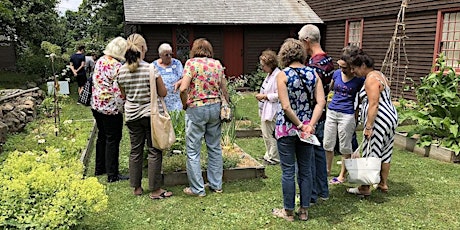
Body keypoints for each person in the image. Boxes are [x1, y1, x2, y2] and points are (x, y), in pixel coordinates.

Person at [271, 38, 325, 222]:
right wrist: (309, 125)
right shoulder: (313, 74)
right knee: (306, 170)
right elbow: (321, 103)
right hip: (307, 132)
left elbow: (285, 106)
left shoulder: (282, 75)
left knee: (287, 171)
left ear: (284, 54)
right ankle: (304, 210)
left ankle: (288, 211)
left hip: (287, 129)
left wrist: (299, 125)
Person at [117, 33, 173, 199]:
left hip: (132, 115)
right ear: (142, 49)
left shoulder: (121, 71)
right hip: (150, 114)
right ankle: (155, 190)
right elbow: (162, 92)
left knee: (135, 151)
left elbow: (123, 94)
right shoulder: (151, 68)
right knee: (154, 150)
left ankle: (136, 187)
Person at [179, 38, 229, 197]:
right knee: (214, 147)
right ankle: (216, 185)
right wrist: (226, 105)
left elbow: (183, 88)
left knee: (193, 150)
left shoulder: (191, 64)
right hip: (215, 107)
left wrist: (185, 104)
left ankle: (197, 189)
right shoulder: (217, 64)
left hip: (196, 108)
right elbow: (224, 88)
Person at [346, 48, 398, 196]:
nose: (353, 71)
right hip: (391, 117)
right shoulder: (380, 75)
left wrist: (368, 126)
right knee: (386, 150)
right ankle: (382, 183)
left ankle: (364, 187)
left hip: (379, 119)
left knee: (371, 151)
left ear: (363, 65)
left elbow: (374, 103)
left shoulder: (370, 79)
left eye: (354, 68)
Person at [298, 24, 333, 204]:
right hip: (324, 115)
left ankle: (311, 194)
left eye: (300, 40)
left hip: (312, 115)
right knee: (319, 154)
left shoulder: (314, 66)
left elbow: (311, 94)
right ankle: (323, 190)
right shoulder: (328, 60)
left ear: (307, 41)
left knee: (308, 156)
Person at [323, 46, 365, 185]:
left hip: (347, 114)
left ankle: (342, 176)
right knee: (328, 143)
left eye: (345, 68)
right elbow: (330, 89)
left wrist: (356, 115)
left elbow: (360, 99)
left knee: (345, 146)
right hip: (332, 111)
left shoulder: (359, 79)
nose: (342, 70)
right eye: (340, 66)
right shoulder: (336, 74)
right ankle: (327, 170)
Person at [91, 37, 129, 183]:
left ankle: (100, 168)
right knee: (113, 139)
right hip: (110, 108)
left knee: (102, 137)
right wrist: (122, 109)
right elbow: (118, 91)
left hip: (97, 105)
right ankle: (112, 174)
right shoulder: (117, 66)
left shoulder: (100, 60)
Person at [256, 50, 281, 165]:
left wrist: (265, 96)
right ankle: (268, 154)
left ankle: (274, 158)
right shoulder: (269, 75)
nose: (262, 68)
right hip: (266, 107)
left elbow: (279, 95)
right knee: (265, 134)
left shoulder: (278, 75)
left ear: (270, 64)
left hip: (273, 109)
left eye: (263, 65)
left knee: (271, 134)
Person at [152, 43, 184, 111]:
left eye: (171, 54)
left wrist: (178, 82)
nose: (169, 56)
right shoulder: (154, 65)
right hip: (161, 100)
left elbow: (183, 78)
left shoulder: (177, 63)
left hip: (175, 99)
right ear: (160, 55)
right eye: (166, 55)